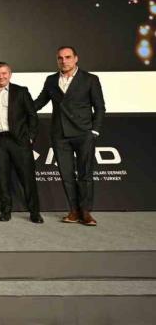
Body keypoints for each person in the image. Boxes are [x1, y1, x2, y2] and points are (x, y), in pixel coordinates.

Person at [34, 46, 105, 226]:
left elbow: (99, 107)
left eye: (67, 57)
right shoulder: (51, 80)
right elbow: (40, 102)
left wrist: (94, 131)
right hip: (60, 135)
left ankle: (86, 212)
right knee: (66, 175)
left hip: (83, 133)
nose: (64, 61)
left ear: (76, 58)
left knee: (85, 174)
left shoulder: (90, 79)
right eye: (60, 58)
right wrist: (18, 107)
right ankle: (73, 211)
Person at [0, 62, 43, 224]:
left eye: (4, 73)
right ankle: (5, 211)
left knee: (27, 178)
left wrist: (30, 137)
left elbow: (32, 116)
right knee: (2, 178)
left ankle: (35, 212)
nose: (1, 76)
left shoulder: (21, 91)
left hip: (19, 140)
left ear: (10, 74)